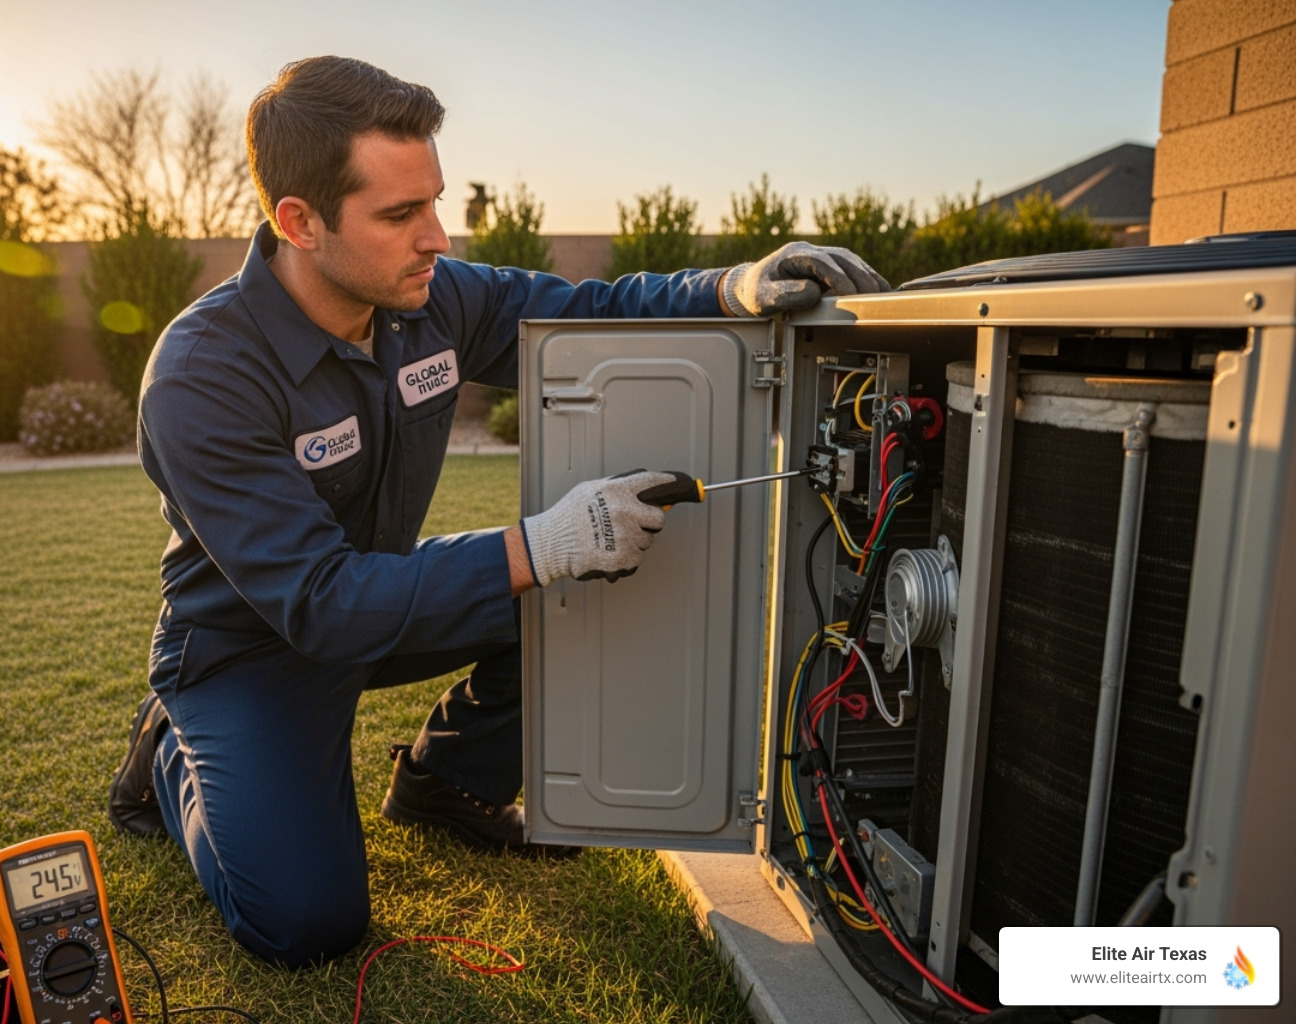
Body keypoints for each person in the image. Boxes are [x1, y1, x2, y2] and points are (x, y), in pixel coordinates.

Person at [107, 54, 889, 968]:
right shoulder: (206, 373)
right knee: (307, 924)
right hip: (251, 653)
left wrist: (733, 288)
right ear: (298, 221)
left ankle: (448, 778)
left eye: (434, 201)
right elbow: (318, 604)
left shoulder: (434, 302)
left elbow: (591, 308)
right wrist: (545, 542)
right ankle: (170, 755)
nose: (436, 237)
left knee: (587, 578)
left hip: (384, 602)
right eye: (400, 215)